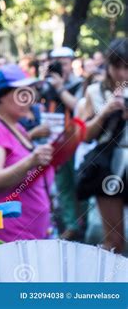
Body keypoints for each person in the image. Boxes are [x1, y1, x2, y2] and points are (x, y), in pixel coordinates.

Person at [0, 65, 54, 241]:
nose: (28, 100)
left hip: (26, 234)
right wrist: (31, 161)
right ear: (1, 96)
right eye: (21, 93)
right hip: (5, 236)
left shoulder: (17, 127)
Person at [79, 38, 128, 253]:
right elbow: (84, 135)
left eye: (127, 67)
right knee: (114, 240)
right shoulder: (94, 91)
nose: (122, 73)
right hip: (109, 165)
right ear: (109, 65)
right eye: (117, 66)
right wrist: (105, 112)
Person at [41, 46, 84, 241]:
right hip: (54, 140)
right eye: (56, 63)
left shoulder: (80, 84)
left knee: (78, 182)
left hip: (76, 141)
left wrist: (60, 87)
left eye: (64, 63)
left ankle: (82, 224)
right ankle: (69, 225)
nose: (60, 68)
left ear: (72, 63)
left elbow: (78, 107)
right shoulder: (46, 85)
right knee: (61, 184)